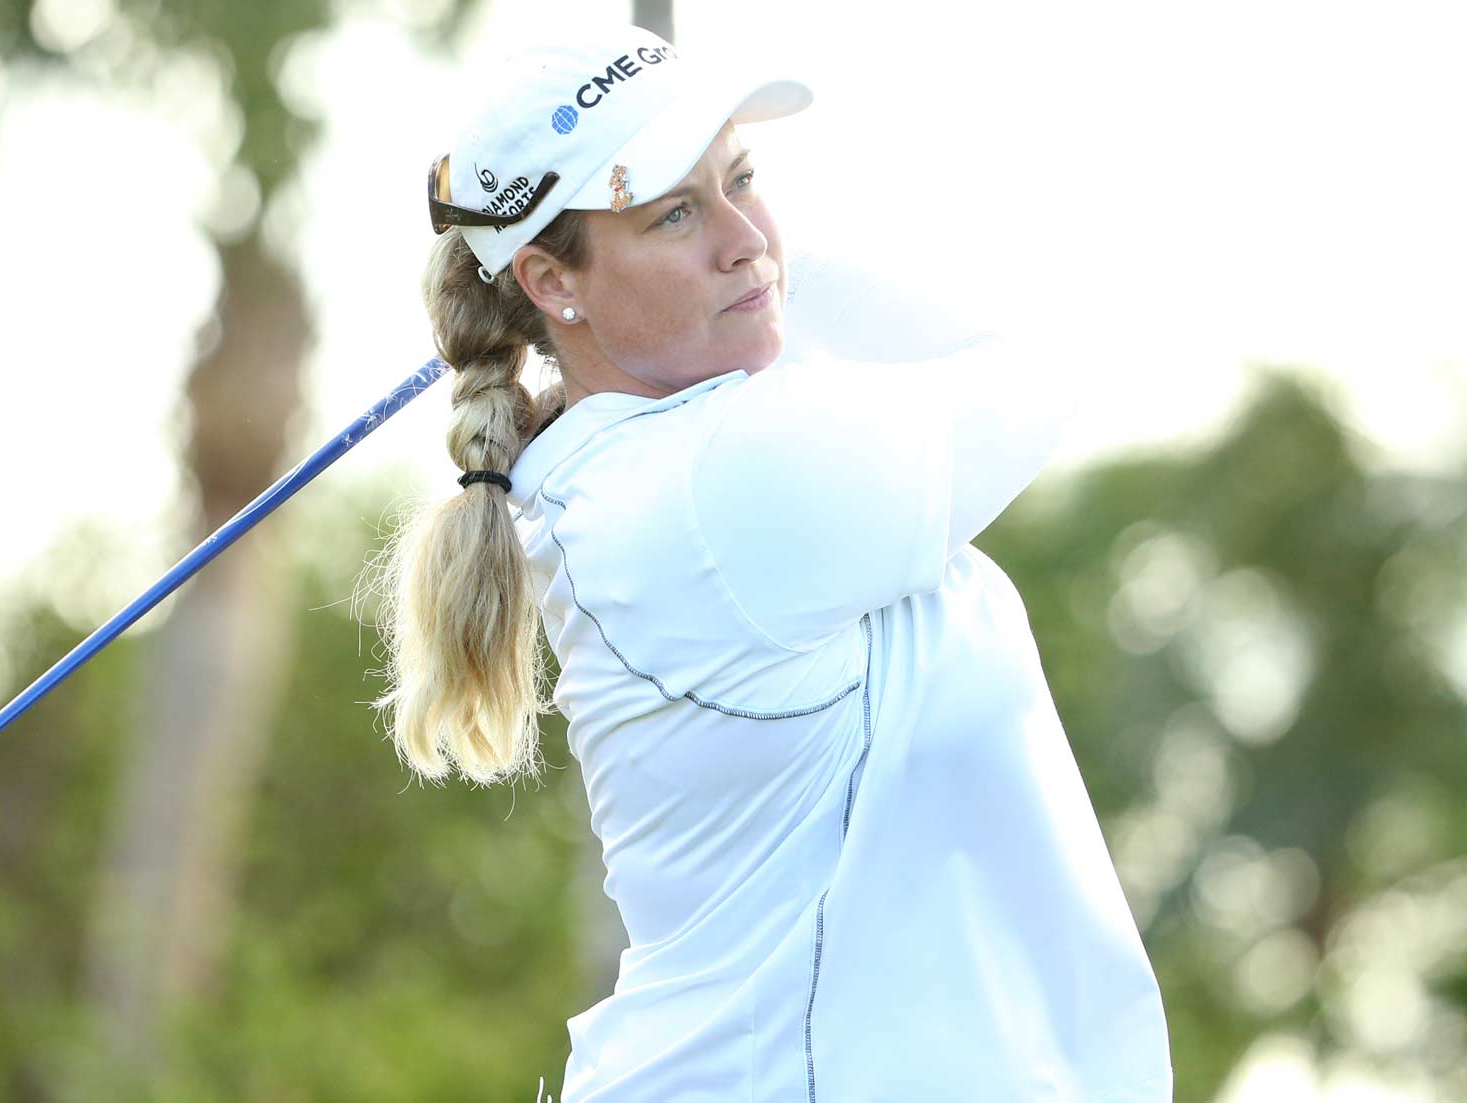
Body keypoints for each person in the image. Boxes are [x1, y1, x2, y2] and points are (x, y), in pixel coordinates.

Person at [374, 24, 1173, 1103]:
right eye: (672, 211)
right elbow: (1034, 360)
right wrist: (759, 274)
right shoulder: (716, 489)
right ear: (551, 279)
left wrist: (717, 250)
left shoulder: (643, 473)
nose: (742, 235)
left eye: (743, 176)